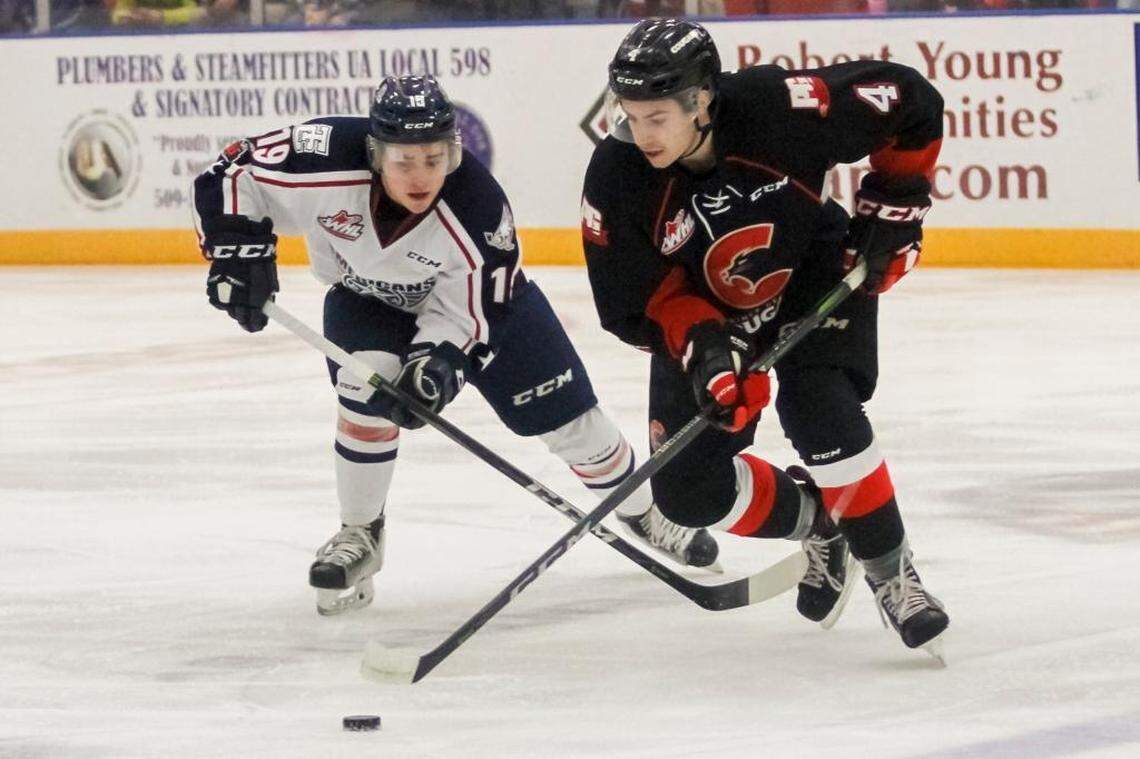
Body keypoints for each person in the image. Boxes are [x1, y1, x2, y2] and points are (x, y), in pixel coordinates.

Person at [192, 75, 719, 616]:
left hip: (493, 311)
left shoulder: (478, 208)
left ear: (453, 150)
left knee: (572, 425)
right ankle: (361, 533)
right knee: (363, 384)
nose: (421, 176)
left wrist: (436, 365)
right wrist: (237, 251)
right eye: (403, 161)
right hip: (366, 300)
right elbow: (231, 172)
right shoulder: (322, 156)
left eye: (434, 157)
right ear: (375, 153)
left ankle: (643, 513)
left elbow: (470, 313)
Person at [581, 19, 949, 653]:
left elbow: (911, 101)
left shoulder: (781, 106)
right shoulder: (617, 177)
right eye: (632, 115)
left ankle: (893, 572)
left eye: (658, 116)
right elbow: (633, 302)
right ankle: (819, 523)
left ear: (702, 99)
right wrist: (708, 352)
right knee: (688, 494)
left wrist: (897, 206)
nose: (642, 134)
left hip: (811, 267)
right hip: (708, 315)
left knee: (820, 407)